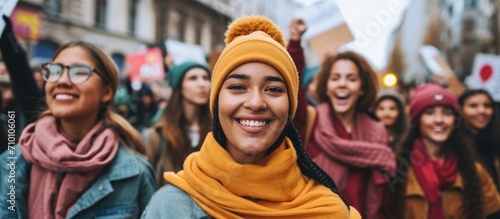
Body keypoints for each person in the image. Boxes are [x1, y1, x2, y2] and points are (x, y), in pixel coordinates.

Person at [142, 16, 360, 218]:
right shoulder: (169, 208)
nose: (255, 103)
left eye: (273, 89)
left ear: (291, 106)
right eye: (238, 87)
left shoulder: (328, 210)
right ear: (216, 101)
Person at [0, 41, 155, 218]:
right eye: (55, 71)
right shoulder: (11, 163)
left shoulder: (134, 173)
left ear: (107, 92)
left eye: (79, 72)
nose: (62, 80)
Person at [296, 49, 395, 217]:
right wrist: (296, 44)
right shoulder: (311, 121)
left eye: (351, 79)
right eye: (335, 78)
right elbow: (293, 88)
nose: (342, 84)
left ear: (362, 88)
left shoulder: (377, 132)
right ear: (326, 87)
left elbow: (384, 197)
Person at [392, 84, 500, 219]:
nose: (439, 120)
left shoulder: (474, 170)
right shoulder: (398, 168)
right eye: (429, 113)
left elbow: (493, 212)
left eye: (447, 113)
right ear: (417, 120)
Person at [145, 61, 212, 187]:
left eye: (205, 78)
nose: (202, 84)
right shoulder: (159, 133)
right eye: (193, 78)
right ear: (179, 87)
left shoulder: (219, 130)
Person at [459, 89, 500, 190]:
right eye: (473, 106)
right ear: (460, 110)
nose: (482, 111)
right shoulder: (455, 146)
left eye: (487, 105)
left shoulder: (495, 140)